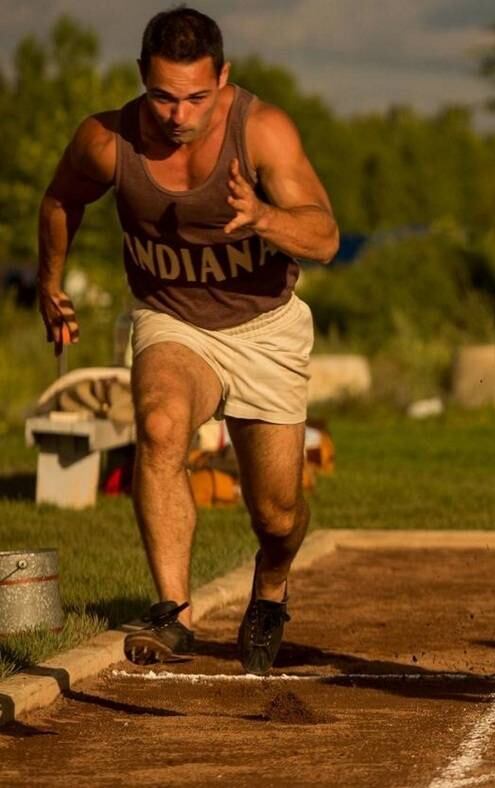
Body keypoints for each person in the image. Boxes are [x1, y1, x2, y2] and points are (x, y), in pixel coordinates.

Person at [36, 7, 339, 675]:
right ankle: (173, 613)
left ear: (222, 79)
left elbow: (324, 236)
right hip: (173, 322)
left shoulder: (261, 130)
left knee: (277, 514)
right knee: (161, 423)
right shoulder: (108, 141)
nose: (179, 114)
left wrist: (262, 216)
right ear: (142, 77)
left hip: (264, 329)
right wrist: (49, 284)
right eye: (164, 95)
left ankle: (273, 586)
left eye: (197, 97)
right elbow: (62, 199)